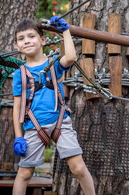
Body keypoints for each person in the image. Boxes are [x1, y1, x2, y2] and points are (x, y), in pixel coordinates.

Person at [12, 17, 95, 195]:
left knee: (78, 168)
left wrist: (64, 31)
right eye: (21, 38)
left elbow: (71, 57)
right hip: (34, 127)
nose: (27, 41)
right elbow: (17, 107)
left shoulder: (54, 64)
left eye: (31, 36)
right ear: (16, 46)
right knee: (24, 173)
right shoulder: (20, 74)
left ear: (43, 40)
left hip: (60, 123)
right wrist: (18, 137)